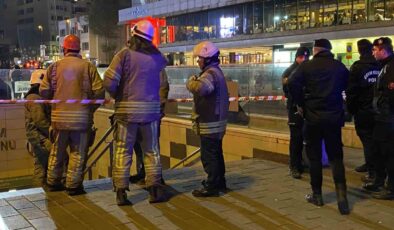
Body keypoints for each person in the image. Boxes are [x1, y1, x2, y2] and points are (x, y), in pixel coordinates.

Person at [104, 20, 168, 205]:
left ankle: (121, 193)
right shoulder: (158, 58)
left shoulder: (124, 55)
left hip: (126, 113)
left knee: (123, 151)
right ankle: (155, 191)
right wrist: (159, 108)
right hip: (151, 115)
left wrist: (118, 95)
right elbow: (163, 87)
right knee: (151, 151)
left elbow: (109, 82)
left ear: (134, 35)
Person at [289, 39, 350, 215]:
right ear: (329, 50)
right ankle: (342, 198)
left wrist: (301, 103)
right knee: (336, 157)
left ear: (315, 50)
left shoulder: (307, 66)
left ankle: (317, 195)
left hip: (313, 117)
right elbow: (348, 86)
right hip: (333, 117)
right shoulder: (338, 66)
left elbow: (292, 83)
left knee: (314, 157)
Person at [40, 34, 104, 196]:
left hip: (59, 119)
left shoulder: (53, 67)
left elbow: (44, 91)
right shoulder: (88, 66)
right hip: (81, 120)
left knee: (57, 151)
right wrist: (90, 110)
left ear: (64, 49)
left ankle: (53, 182)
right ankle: (73, 186)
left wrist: (54, 104)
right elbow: (100, 92)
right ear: (78, 49)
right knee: (78, 153)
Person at [186, 41, 229, 197]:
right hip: (216, 122)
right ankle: (219, 183)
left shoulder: (210, 74)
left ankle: (211, 186)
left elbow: (201, 88)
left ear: (208, 58)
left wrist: (191, 82)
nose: (198, 61)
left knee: (209, 155)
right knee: (216, 153)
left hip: (209, 123)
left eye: (200, 58)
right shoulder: (217, 72)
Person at [346, 39, 381, 181]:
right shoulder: (380, 65)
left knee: (367, 140)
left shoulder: (357, 67)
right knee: (376, 140)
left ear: (359, 50)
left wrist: (351, 109)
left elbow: (351, 91)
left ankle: (373, 172)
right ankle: (373, 166)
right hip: (378, 110)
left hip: (363, 110)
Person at [364, 37, 394, 200]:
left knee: (389, 153)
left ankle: (391, 188)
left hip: (388, 118)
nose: (373, 53)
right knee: (378, 151)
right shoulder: (384, 66)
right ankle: (379, 181)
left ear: (383, 50)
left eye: (375, 50)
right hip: (381, 117)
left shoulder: (391, 67)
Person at [129, 69, 169, 185]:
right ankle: (143, 173)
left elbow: (163, 88)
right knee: (138, 145)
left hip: (150, 114)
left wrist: (159, 109)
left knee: (151, 148)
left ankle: (156, 177)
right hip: (136, 114)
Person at [282, 46, 310, 179]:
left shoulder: (308, 69)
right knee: (296, 138)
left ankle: (301, 162)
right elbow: (287, 90)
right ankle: (294, 165)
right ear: (297, 57)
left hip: (306, 108)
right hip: (295, 108)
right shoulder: (290, 71)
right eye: (301, 57)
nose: (303, 59)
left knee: (305, 137)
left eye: (306, 57)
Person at [25, 69, 51, 187]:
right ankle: (41, 190)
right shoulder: (35, 98)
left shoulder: (33, 97)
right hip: (41, 137)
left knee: (40, 164)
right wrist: (52, 132)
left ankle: (39, 191)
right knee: (59, 159)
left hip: (37, 137)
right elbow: (40, 121)